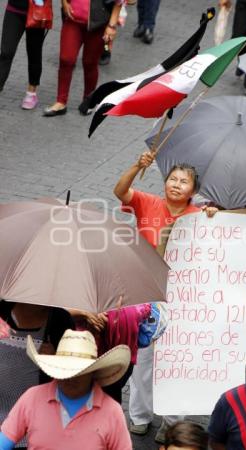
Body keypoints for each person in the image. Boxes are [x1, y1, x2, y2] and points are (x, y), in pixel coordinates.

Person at [114, 151, 217, 443]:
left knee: (175, 358)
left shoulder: (200, 217)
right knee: (143, 356)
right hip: (145, 293)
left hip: (183, 298)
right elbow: (120, 191)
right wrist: (137, 165)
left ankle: (172, 421)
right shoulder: (147, 202)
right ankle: (140, 416)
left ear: (193, 192)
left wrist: (213, 217)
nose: (176, 184)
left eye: (184, 182)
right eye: (172, 179)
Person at [0, 329, 132, 450]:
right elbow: (4, 441)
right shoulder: (32, 397)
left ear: (93, 372)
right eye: (65, 370)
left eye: (79, 372)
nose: (70, 378)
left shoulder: (112, 412)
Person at [0, 300, 74, 449]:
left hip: (34, 427)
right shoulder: (2, 310)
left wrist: (55, 360)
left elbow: (73, 378)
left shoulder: (60, 320)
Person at [43, 0, 125, 117]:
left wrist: (111, 26)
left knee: (90, 63)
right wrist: (64, 3)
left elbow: (118, 2)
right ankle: (60, 102)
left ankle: (88, 100)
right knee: (66, 59)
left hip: (98, 23)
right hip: (73, 19)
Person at [0, 0, 47, 109]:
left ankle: (31, 93)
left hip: (37, 10)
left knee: (34, 52)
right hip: (14, 9)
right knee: (6, 52)